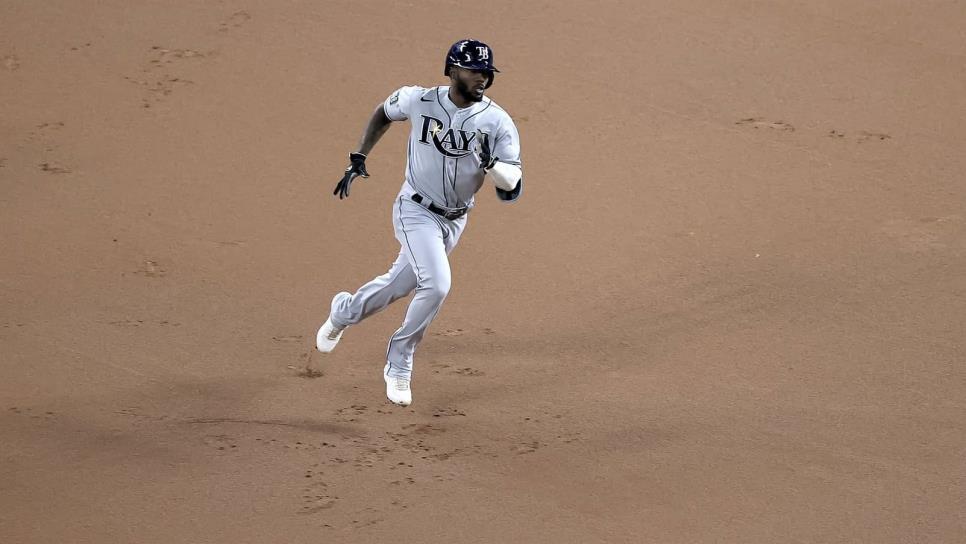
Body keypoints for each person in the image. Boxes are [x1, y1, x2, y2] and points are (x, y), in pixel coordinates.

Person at [316, 39, 523, 407]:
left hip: (454, 221)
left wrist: (492, 166)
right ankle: (399, 362)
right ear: (453, 70)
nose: (484, 79)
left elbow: (513, 186)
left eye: (487, 73)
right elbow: (383, 112)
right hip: (414, 210)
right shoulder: (419, 99)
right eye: (476, 71)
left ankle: (343, 312)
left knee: (398, 285)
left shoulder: (497, 122)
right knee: (438, 284)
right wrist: (359, 156)